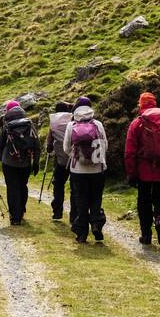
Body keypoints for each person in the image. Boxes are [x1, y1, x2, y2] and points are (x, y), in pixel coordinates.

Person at [124, 91, 160, 247]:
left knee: (144, 202)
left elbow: (129, 152)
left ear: (140, 105)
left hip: (144, 173)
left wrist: (131, 173)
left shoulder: (137, 123)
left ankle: (146, 235)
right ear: (154, 103)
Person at [63, 96, 108, 243]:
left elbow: (66, 148)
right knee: (96, 198)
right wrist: (95, 157)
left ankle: (82, 232)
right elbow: (105, 145)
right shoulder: (98, 124)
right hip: (97, 170)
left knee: (81, 200)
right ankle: (96, 223)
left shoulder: (71, 125)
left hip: (78, 171)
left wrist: (77, 157)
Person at [0, 100, 39, 225]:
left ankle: (15, 217)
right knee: (22, 186)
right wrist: (35, 162)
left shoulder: (7, 124)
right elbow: (37, 144)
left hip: (9, 162)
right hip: (25, 162)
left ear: (8, 111)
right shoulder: (29, 123)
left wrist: (2, 158)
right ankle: (21, 211)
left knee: (12, 188)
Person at [45, 101, 75, 221]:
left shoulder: (54, 121)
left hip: (60, 158)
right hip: (74, 158)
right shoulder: (73, 119)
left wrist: (49, 148)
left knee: (58, 184)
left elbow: (49, 141)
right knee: (75, 186)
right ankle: (74, 215)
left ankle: (57, 211)